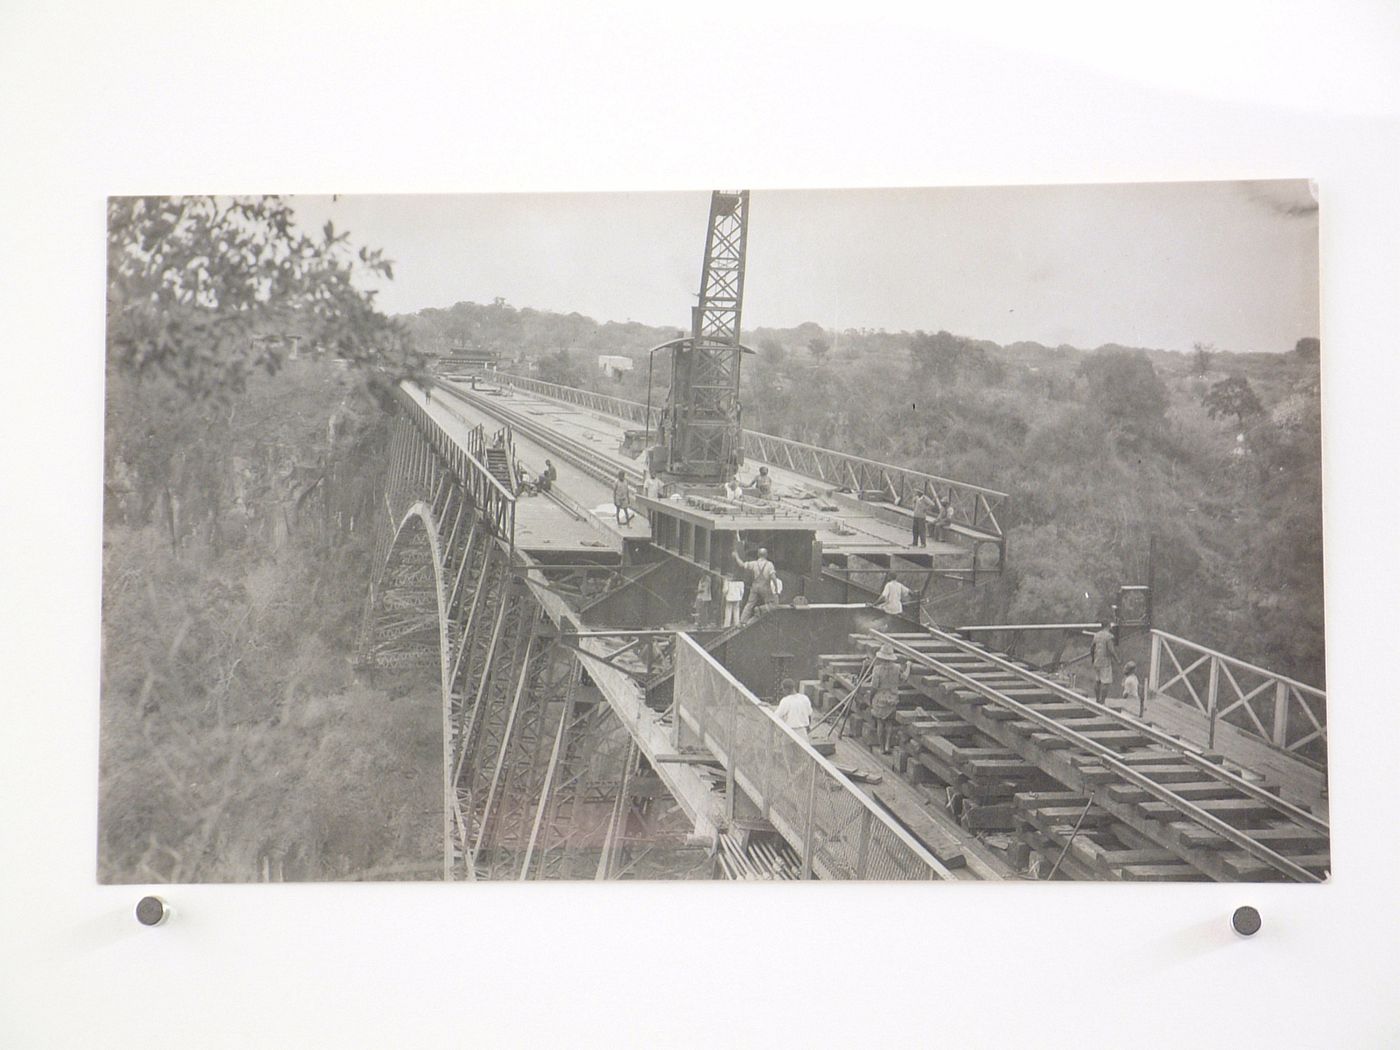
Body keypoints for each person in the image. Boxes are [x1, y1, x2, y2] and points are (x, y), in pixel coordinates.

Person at [867, 643, 910, 754]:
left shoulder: (877, 669)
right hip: (892, 699)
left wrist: (870, 699)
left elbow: (874, 687)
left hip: (880, 700)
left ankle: (881, 747)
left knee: (880, 723)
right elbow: (904, 678)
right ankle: (887, 745)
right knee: (889, 723)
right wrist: (908, 665)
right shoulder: (897, 668)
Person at [733, 546, 778, 623]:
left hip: (755, 586)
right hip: (765, 587)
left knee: (750, 603)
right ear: (766, 555)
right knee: (772, 603)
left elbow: (742, 565)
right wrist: (776, 588)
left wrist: (736, 556)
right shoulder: (769, 564)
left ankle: (742, 621)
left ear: (758, 555)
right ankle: (761, 609)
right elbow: (773, 577)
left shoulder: (754, 563)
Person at [1090, 619, 1118, 703]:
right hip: (1105, 662)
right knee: (1106, 682)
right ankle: (1102, 700)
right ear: (1108, 626)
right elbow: (1111, 650)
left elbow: (1092, 648)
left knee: (1097, 680)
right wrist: (1117, 659)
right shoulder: (1109, 636)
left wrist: (1093, 658)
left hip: (1097, 660)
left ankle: (1097, 699)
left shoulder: (1096, 635)